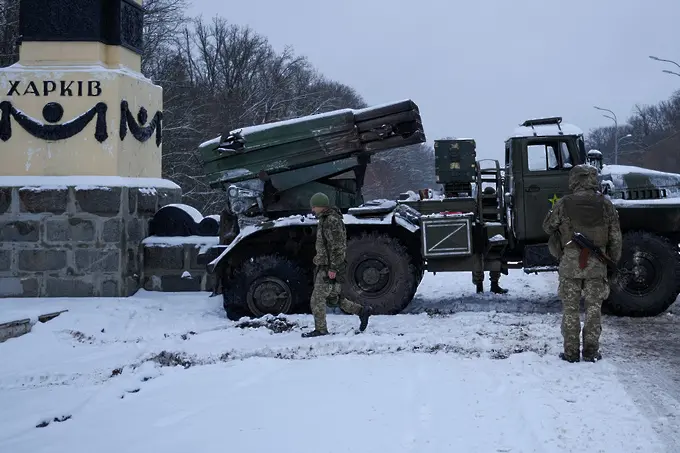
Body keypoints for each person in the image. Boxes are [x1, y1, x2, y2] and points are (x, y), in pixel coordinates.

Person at [542, 164, 622, 363]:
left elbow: (547, 227)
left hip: (570, 264)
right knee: (594, 309)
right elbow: (615, 238)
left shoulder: (564, 203)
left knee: (571, 310)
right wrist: (611, 261)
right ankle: (591, 352)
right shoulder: (606, 205)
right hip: (597, 265)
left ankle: (570, 353)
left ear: (575, 179)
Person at [301, 192, 373, 338]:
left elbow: (338, 246)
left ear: (321, 206)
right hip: (326, 265)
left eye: (314, 207)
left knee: (317, 299)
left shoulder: (331, 221)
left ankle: (320, 329)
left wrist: (333, 268)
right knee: (333, 299)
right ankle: (361, 311)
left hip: (329, 267)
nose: (312, 210)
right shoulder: (325, 219)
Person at [472, 186, 508, 294]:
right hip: (495, 232)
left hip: (479, 234)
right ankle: (494, 285)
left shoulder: (478, 207)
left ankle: (479, 287)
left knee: (478, 259)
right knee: (495, 257)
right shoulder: (497, 208)